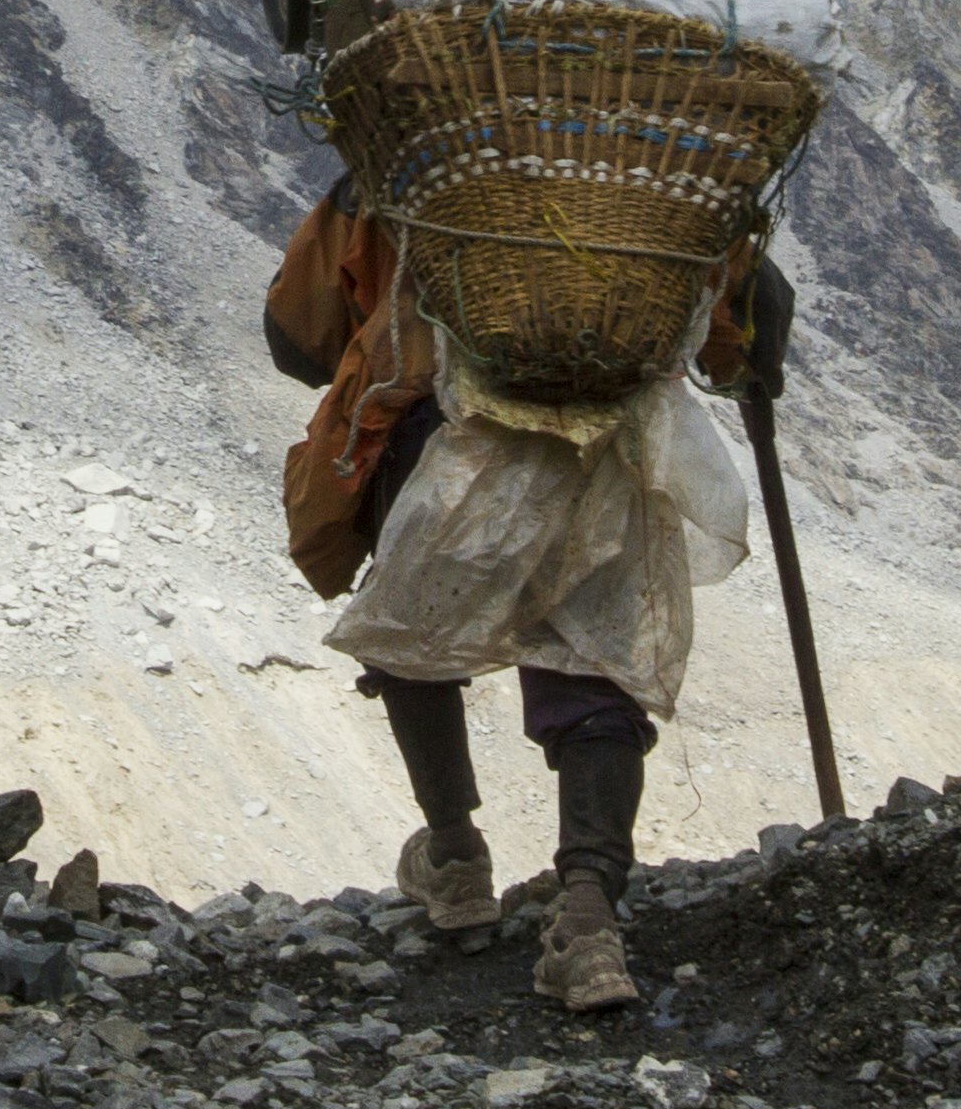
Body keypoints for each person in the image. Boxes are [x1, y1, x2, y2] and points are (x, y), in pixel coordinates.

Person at [267, 173, 787, 1012]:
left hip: (449, 432)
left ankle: (455, 855)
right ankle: (588, 920)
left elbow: (296, 338)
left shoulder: (416, 147)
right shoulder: (676, 162)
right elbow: (734, 347)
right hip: (615, 431)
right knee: (596, 656)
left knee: (415, 629)